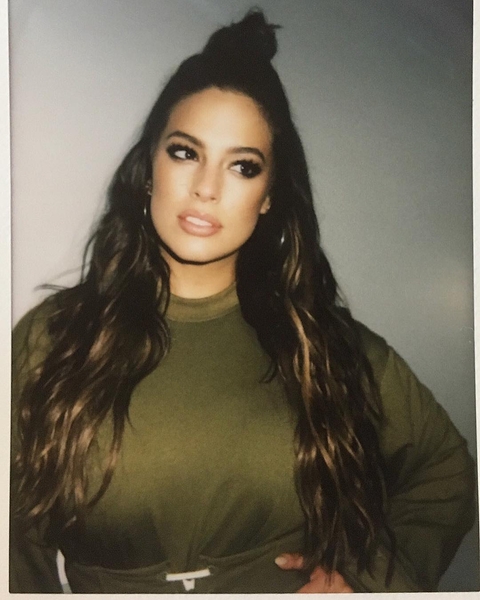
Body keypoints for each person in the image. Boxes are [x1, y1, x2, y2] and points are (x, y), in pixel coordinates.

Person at [10, 10, 475, 594]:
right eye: (185, 152)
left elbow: (444, 475)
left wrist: (369, 578)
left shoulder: (324, 345)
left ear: (269, 196)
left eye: (243, 166)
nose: (207, 187)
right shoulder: (52, 338)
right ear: (149, 168)